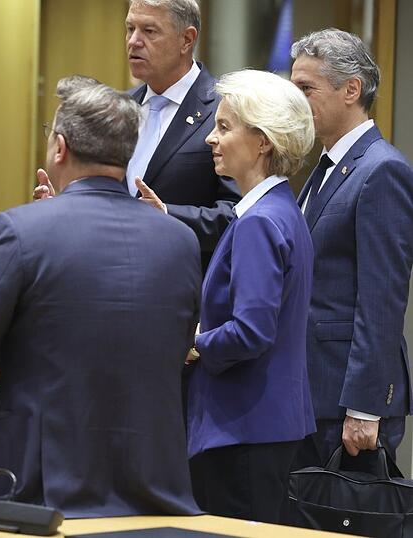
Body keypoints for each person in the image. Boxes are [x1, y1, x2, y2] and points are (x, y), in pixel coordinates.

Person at [0, 76, 201, 518]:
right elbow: (174, 349)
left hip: (35, 484)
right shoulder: (180, 240)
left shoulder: (20, 231)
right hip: (155, 482)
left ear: (59, 148)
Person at [174, 70, 316, 523]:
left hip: (241, 428)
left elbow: (251, 331)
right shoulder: (280, 209)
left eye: (224, 126)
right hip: (262, 425)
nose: (210, 138)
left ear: (263, 142)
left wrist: (195, 344)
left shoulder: (259, 221)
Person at [289, 29, 413, 468]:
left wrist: (364, 406)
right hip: (311, 391)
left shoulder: (382, 170)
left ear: (351, 90)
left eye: (306, 88)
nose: (295, 100)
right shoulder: (324, 166)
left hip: (346, 401)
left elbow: (382, 299)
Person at [36, 0, 240, 265]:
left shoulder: (225, 110)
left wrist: (166, 215)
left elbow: (237, 213)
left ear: (187, 40)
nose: (133, 41)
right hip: (108, 272)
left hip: (183, 278)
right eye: (130, 28)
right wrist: (66, 203)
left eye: (149, 31)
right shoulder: (119, 107)